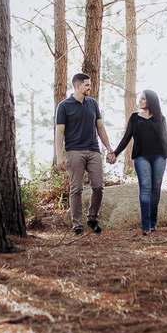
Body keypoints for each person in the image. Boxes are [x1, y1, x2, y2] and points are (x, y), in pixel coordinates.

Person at [56, 73, 116, 236]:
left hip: (93, 150)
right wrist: (60, 156)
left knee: (98, 186)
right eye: (87, 85)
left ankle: (92, 218)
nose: (90, 88)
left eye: (89, 85)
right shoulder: (64, 106)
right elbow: (60, 132)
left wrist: (110, 149)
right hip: (74, 151)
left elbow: (100, 128)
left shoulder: (92, 104)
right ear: (77, 86)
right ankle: (77, 224)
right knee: (76, 188)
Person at [111, 90, 167, 235]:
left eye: (143, 99)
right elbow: (126, 138)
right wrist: (115, 153)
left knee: (155, 189)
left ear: (150, 101)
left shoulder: (160, 118)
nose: (140, 101)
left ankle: (153, 222)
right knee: (145, 188)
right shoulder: (134, 118)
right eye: (140, 99)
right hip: (141, 157)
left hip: (159, 156)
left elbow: (166, 137)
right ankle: (145, 225)